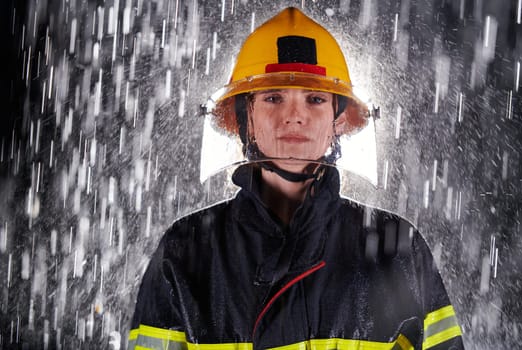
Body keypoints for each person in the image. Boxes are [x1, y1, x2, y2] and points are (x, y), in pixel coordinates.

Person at [128, 7, 464, 350]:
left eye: (315, 99)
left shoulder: (396, 247)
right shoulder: (187, 249)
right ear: (246, 120)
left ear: (338, 122)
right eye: (273, 98)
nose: (294, 116)